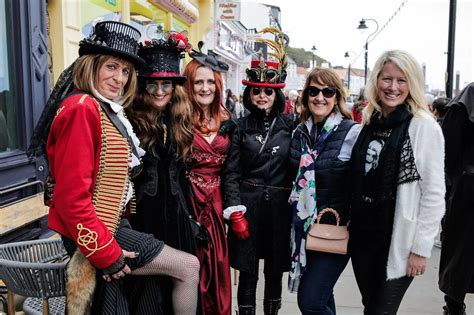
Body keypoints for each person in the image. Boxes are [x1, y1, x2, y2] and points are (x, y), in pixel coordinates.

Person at [29, 21, 199, 314]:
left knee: (142, 301)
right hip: (99, 232)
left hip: (113, 226)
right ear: (91, 65)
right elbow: (71, 199)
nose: (119, 78)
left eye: (125, 71)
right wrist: (106, 254)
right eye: (111, 67)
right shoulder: (82, 108)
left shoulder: (99, 107)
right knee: (188, 266)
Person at [348, 50, 445, 315]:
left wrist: (421, 248)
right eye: (387, 79)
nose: (393, 87)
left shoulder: (424, 127)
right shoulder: (369, 120)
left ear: (412, 84)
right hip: (363, 237)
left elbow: (435, 193)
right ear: (376, 81)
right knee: (371, 307)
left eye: (401, 80)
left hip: (398, 241)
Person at [125, 32, 200, 313]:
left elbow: (182, 177)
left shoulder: (180, 121)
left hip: (178, 218)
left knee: (182, 279)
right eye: (152, 85)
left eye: (165, 84)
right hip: (143, 217)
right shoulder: (132, 120)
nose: (158, 91)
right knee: (148, 292)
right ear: (143, 87)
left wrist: (192, 219)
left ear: (173, 88)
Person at [222, 29, 294, 315]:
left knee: (274, 273)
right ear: (248, 93)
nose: (262, 95)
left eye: (268, 91)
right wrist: (234, 211)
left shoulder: (291, 126)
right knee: (249, 273)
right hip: (248, 209)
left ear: (276, 94)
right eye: (256, 90)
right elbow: (231, 172)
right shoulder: (238, 127)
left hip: (280, 211)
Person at [287, 67, 361, 315]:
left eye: (327, 91)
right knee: (323, 298)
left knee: (310, 302)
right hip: (304, 233)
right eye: (314, 91)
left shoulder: (352, 133)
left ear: (337, 96)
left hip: (336, 230)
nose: (320, 97)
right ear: (306, 96)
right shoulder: (299, 133)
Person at [183, 45, 232, 314]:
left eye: (210, 81)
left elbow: (233, 169)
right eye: (198, 82)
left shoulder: (227, 119)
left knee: (218, 262)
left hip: (218, 201)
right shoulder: (180, 119)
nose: (205, 88)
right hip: (190, 198)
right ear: (189, 86)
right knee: (194, 263)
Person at [439, 83, 474, 315]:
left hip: (465, 185)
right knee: (461, 255)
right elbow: (449, 149)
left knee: (461, 255)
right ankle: (453, 306)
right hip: (467, 191)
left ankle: (453, 305)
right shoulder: (469, 96)